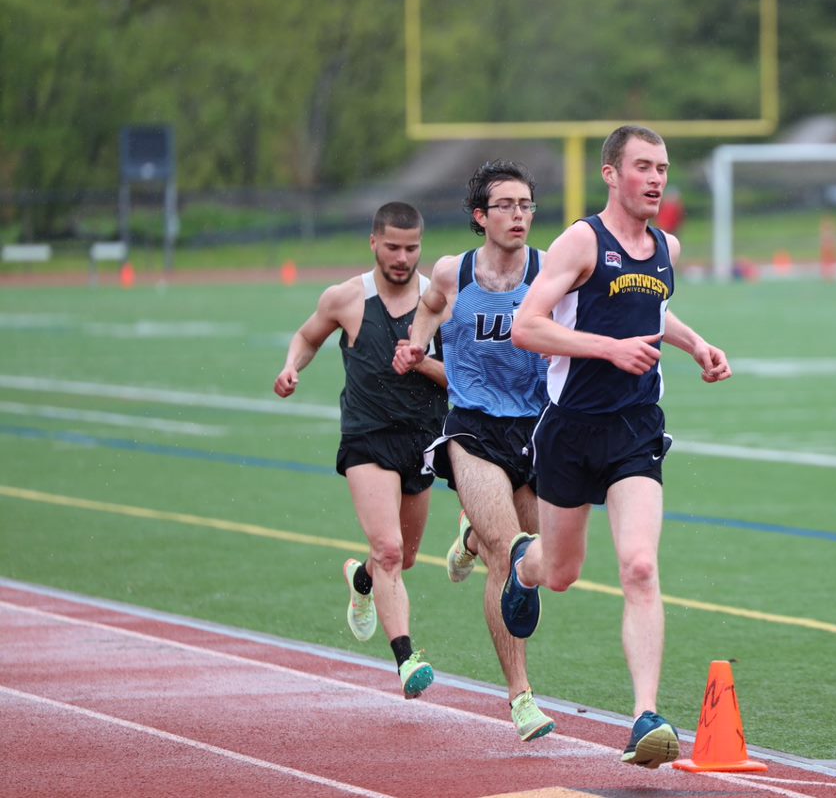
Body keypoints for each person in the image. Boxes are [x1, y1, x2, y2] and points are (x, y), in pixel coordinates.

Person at [500, 125, 733, 768]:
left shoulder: (667, 247)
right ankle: (525, 565)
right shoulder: (581, 241)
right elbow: (527, 327)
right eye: (642, 167)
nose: (655, 179)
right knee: (564, 573)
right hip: (570, 431)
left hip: (635, 428)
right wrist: (607, 349)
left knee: (639, 566)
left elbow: (652, 312)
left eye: (661, 168)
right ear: (611, 173)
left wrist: (695, 345)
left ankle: (645, 718)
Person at [392, 160, 556, 742]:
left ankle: (469, 535)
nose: (519, 216)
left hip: (538, 429)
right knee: (508, 555)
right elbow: (430, 308)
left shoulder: (551, 270)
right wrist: (414, 345)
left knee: (535, 568)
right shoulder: (452, 271)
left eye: (527, 205)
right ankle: (521, 698)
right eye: (507, 206)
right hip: (473, 427)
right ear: (481, 217)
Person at [273, 201, 447, 699]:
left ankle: (363, 579)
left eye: (411, 248)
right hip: (367, 438)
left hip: (423, 441)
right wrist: (293, 367)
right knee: (389, 548)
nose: (402, 257)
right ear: (373, 242)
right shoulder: (346, 298)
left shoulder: (441, 303)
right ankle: (407, 658)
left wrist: (419, 363)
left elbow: (461, 378)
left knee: (404, 557)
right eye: (392, 246)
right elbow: (307, 337)